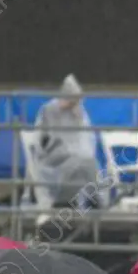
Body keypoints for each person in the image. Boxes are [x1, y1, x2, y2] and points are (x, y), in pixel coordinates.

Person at [33, 73, 101, 208]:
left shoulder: (79, 113)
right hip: (54, 156)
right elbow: (42, 140)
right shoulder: (49, 109)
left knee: (89, 163)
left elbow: (87, 138)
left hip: (75, 155)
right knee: (80, 163)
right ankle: (69, 200)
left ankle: (94, 200)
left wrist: (78, 117)